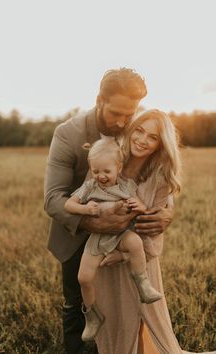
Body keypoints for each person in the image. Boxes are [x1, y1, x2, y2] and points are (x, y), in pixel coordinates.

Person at [44, 68, 174, 354]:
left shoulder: (133, 125)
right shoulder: (68, 133)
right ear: (99, 99)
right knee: (77, 304)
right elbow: (53, 198)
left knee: (123, 308)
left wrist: (166, 212)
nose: (123, 121)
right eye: (116, 113)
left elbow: (153, 171)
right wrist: (96, 222)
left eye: (130, 113)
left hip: (125, 235)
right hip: (76, 234)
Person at [94, 109, 214, 354]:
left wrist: (125, 254)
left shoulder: (160, 178)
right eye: (139, 130)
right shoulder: (111, 161)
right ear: (130, 129)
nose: (142, 139)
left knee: (141, 321)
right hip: (104, 258)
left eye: (152, 137)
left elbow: (154, 237)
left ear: (161, 144)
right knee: (114, 325)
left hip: (140, 262)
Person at [65, 139, 162, 341]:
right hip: (98, 238)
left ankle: (143, 284)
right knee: (83, 278)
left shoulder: (127, 186)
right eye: (96, 171)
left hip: (120, 235)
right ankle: (92, 315)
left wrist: (141, 205)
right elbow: (68, 204)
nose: (100, 176)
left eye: (106, 171)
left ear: (119, 168)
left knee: (134, 242)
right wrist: (84, 209)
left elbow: (142, 209)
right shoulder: (89, 187)